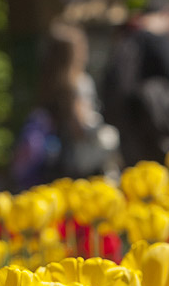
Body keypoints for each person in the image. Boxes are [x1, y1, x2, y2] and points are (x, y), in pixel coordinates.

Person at [102, 0, 169, 164]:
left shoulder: (126, 38)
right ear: (168, 14)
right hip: (161, 135)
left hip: (130, 133)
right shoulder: (161, 39)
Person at [34, 21, 119, 181]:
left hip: (56, 159)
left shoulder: (49, 84)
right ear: (74, 53)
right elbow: (80, 125)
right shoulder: (78, 83)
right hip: (81, 158)